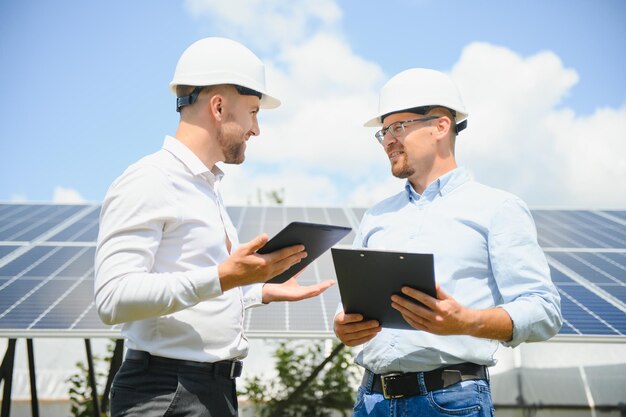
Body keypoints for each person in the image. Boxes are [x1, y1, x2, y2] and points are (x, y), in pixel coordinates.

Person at [94, 37, 334, 417]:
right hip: (165, 393)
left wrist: (258, 289)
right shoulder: (149, 179)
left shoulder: (206, 189)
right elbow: (112, 297)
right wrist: (224, 277)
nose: (257, 129)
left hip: (210, 390)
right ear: (219, 107)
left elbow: (195, 281)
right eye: (253, 112)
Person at [333, 68, 562, 416]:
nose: (388, 140)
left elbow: (544, 310)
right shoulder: (376, 216)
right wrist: (344, 325)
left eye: (398, 127)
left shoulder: (498, 209)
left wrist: (467, 321)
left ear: (440, 126)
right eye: (383, 132)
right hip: (370, 400)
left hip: (449, 402)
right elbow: (352, 304)